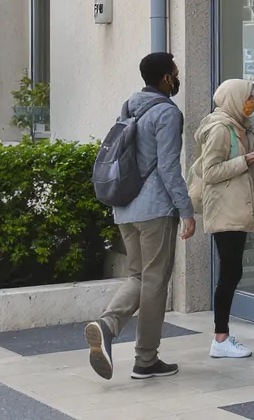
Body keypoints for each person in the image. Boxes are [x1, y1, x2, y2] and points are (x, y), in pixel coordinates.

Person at [85, 52, 196, 381]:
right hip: (155, 210)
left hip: (124, 207)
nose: (177, 79)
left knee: (137, 276)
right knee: (154, 282)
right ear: (165, 78)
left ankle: (107, 325)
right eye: (175, 74)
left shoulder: (129, 106)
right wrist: (186, 209)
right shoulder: (166, 113)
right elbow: (168, 168)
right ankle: (146, 359)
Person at [187, 78, 254, 359]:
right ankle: (220, 337)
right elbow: (210, 173)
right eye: (248, 98)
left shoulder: (240, 127)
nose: (252, 103)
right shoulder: (221, 129)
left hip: (236, 207)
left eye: (253, 98)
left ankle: (221, 336)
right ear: (234, 98)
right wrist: (244, 161)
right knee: (230, 272)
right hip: (224, 208)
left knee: (233, 271)